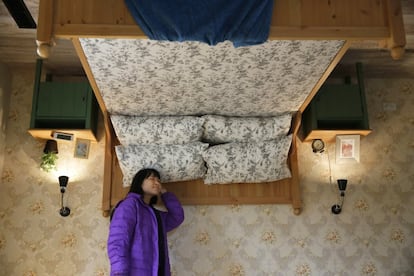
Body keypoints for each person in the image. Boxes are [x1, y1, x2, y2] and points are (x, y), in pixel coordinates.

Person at [107, 168, 185, 276]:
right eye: (152, 178)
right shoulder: (129, 204)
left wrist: (165, 193)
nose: (157, 182)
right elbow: (118, 241)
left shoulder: (155, 215)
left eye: (159, 180)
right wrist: (119, 272)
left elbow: (177, 217)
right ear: (139, 182)